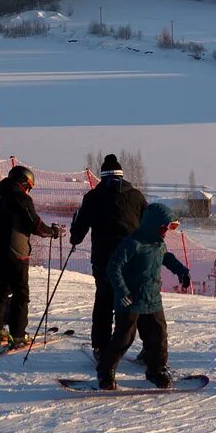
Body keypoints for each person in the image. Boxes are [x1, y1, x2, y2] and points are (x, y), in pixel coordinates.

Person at [100, 203, 191, 390]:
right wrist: (122, 291)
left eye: (170, 228)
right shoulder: (133, 243)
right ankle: (105, 372)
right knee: (124, 338)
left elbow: (168, 258)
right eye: (166, 227)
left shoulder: (158, 243)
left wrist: (182, 272)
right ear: (154, 224)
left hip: (152, 299)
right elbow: (113, 267)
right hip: (130, 300)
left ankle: (156, 370)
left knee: (158, 337)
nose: (167, 232)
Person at [69, 153, 148, 360]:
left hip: (104, 259)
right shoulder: (137, 196)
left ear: (102, 177)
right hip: (133, 259)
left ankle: (102, 347)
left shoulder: (93, 197)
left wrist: (74, 237)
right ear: (122, 176)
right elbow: (149, 225)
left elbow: (78, 232)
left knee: (104, 301)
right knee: (136, 302)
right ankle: (150, 349)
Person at [0, 165, 61, 348]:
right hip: (15, 251)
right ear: (24, 182)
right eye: (29, 186)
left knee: (1, 288)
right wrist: (52, 232)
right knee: (20, 292)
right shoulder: (19, 197)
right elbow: (35, 224)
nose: (28, 190)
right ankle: (17, 335)